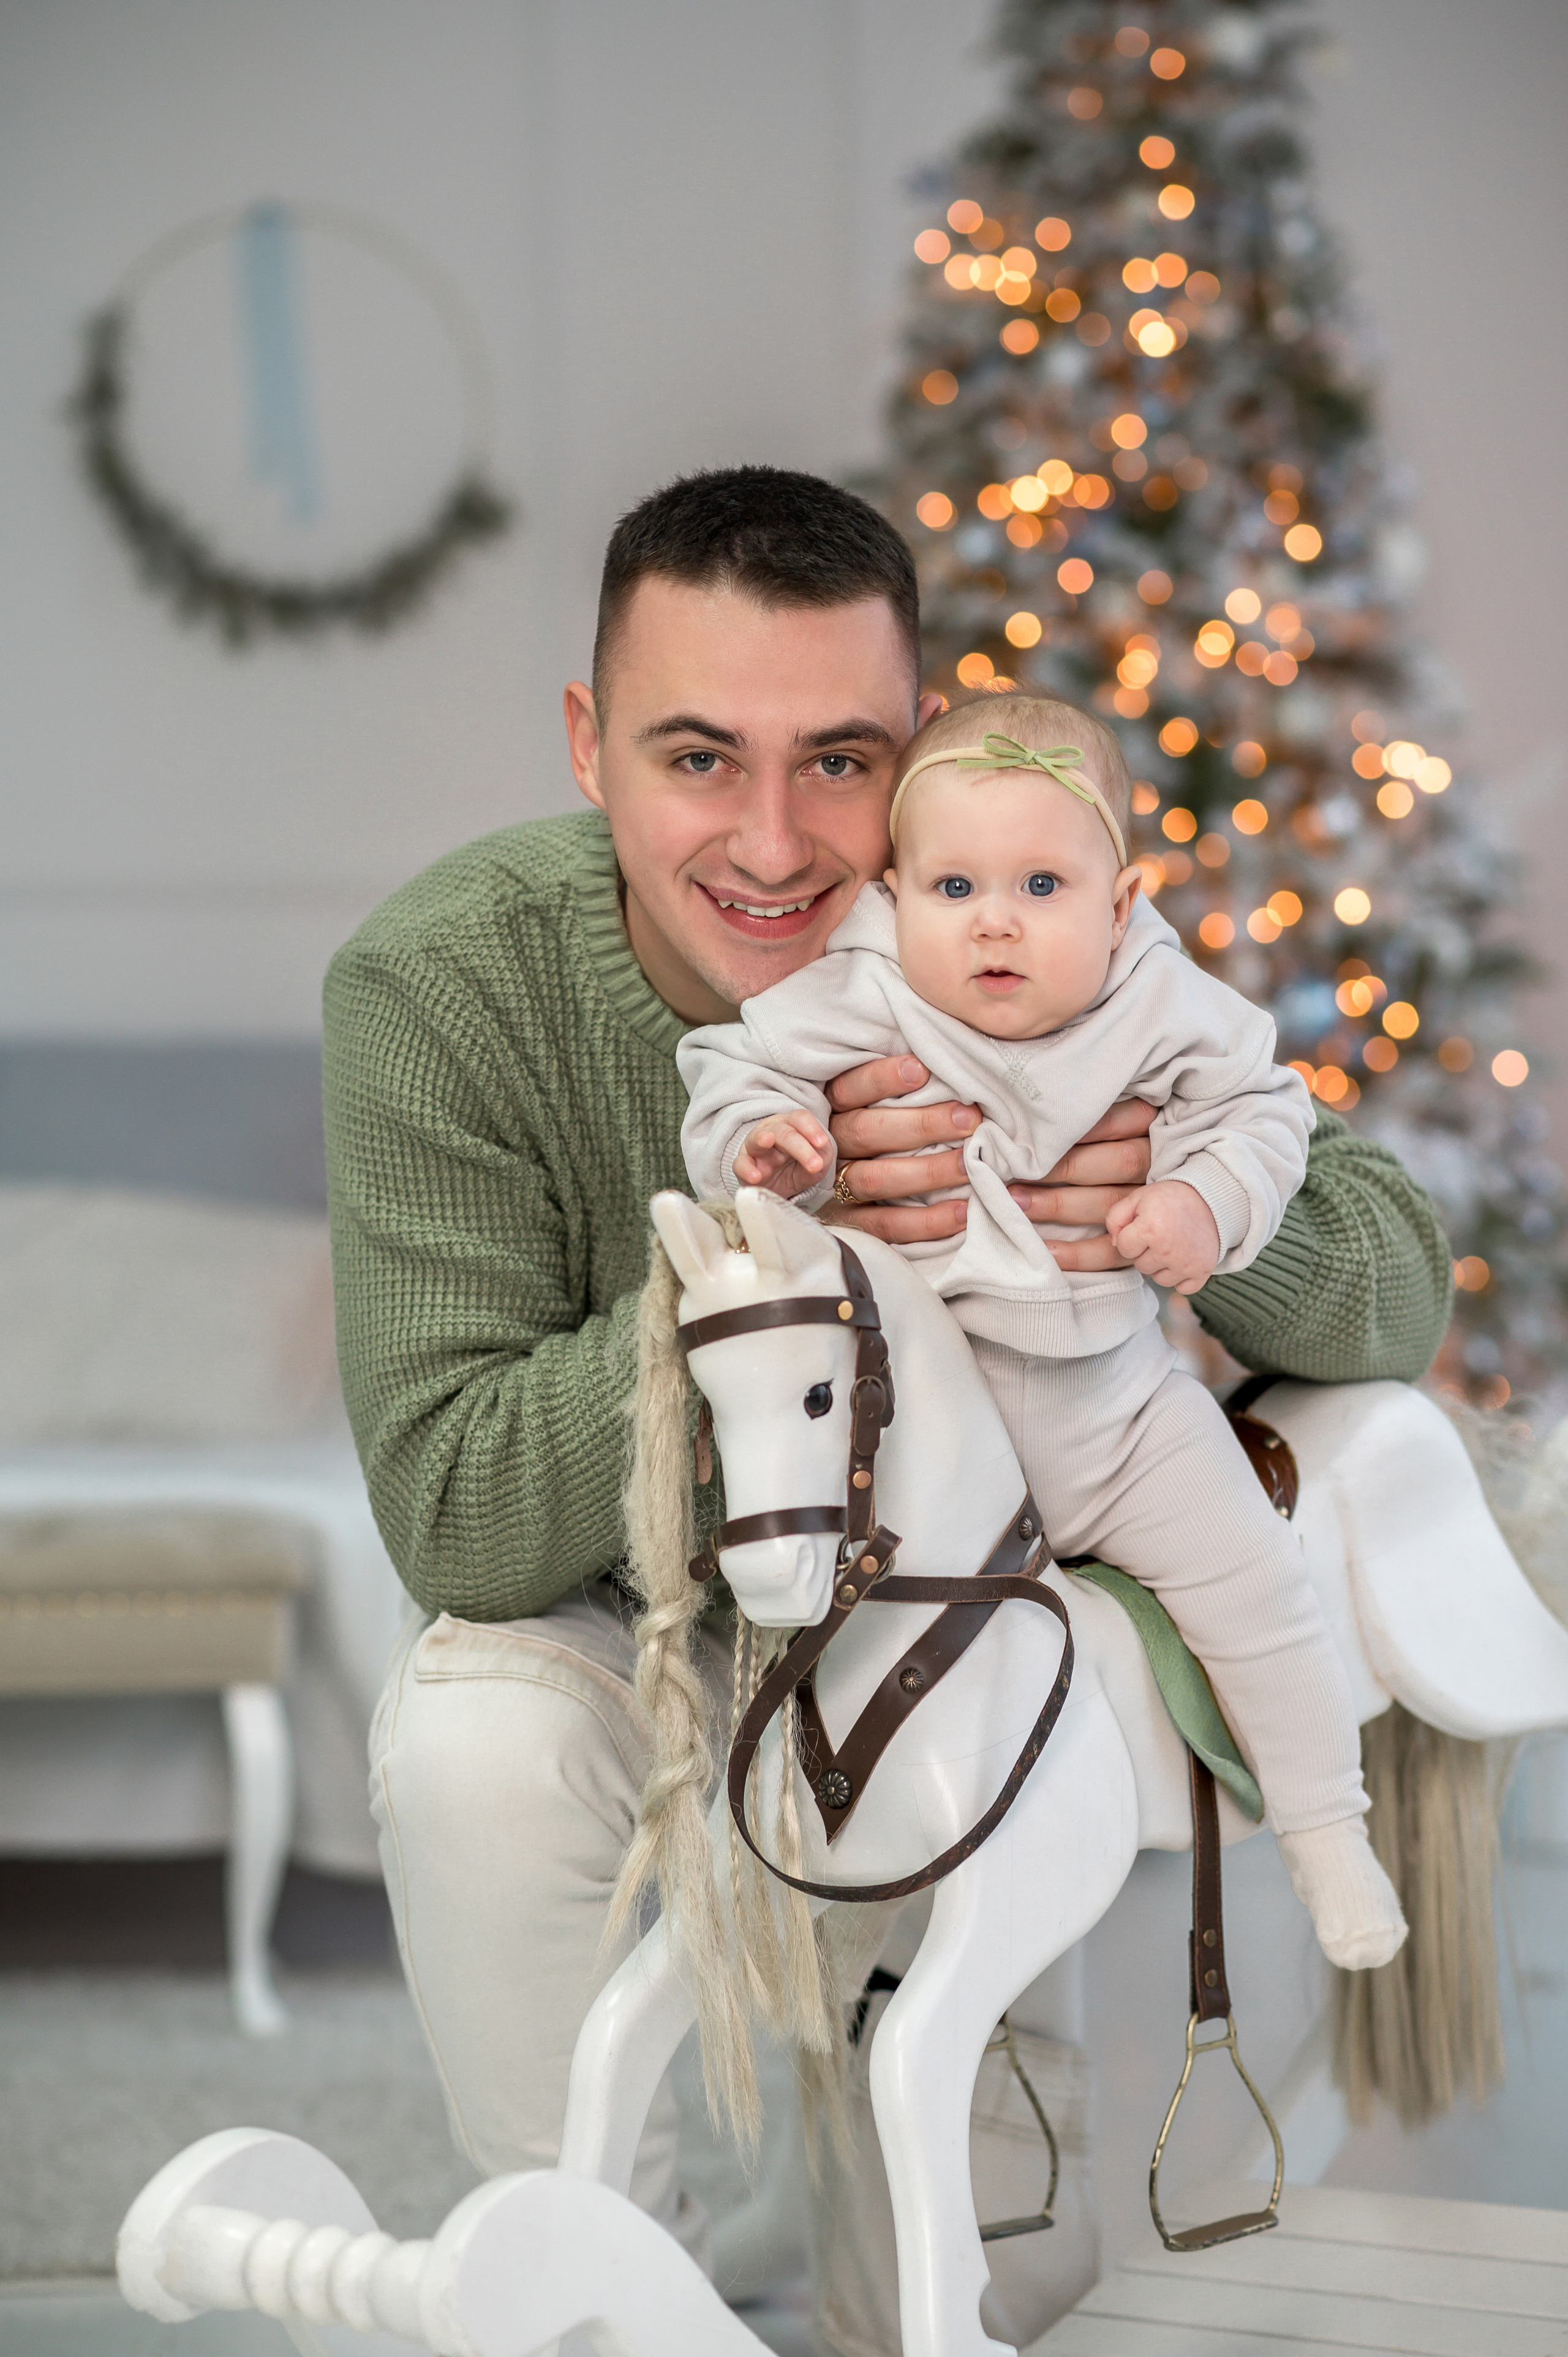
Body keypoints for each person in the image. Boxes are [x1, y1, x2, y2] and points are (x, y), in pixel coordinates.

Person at [323, 467, 1452, 2341]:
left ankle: (919, 2243)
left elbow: (1398, 1283)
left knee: (981, 2294)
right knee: (471, 1739)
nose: (775, 843)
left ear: (919, 748)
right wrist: (782, 1267)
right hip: (648, 1629)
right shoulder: (445, 984)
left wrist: (1171, 1207)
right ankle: (606, 2297)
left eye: (841, 761)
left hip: (961, 1630)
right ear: (592, 747)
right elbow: (454, 1509)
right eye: (699, 756)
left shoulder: (1011, 930)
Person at [680, 690, 1406, 1970]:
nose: (994, 920)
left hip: (1114, 1417)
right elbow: (736, 1065)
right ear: (894, 893)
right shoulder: (868, 989)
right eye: (953, 886)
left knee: (1256, 1587)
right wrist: (763, 1141)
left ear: (1120, 904)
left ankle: (1325, 1825)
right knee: (811, 1610)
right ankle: (836, 1883)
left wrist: (1203, 1203)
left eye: (1040, 885)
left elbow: (1261, 1112)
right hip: (917, 1447)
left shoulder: (1157, 999)